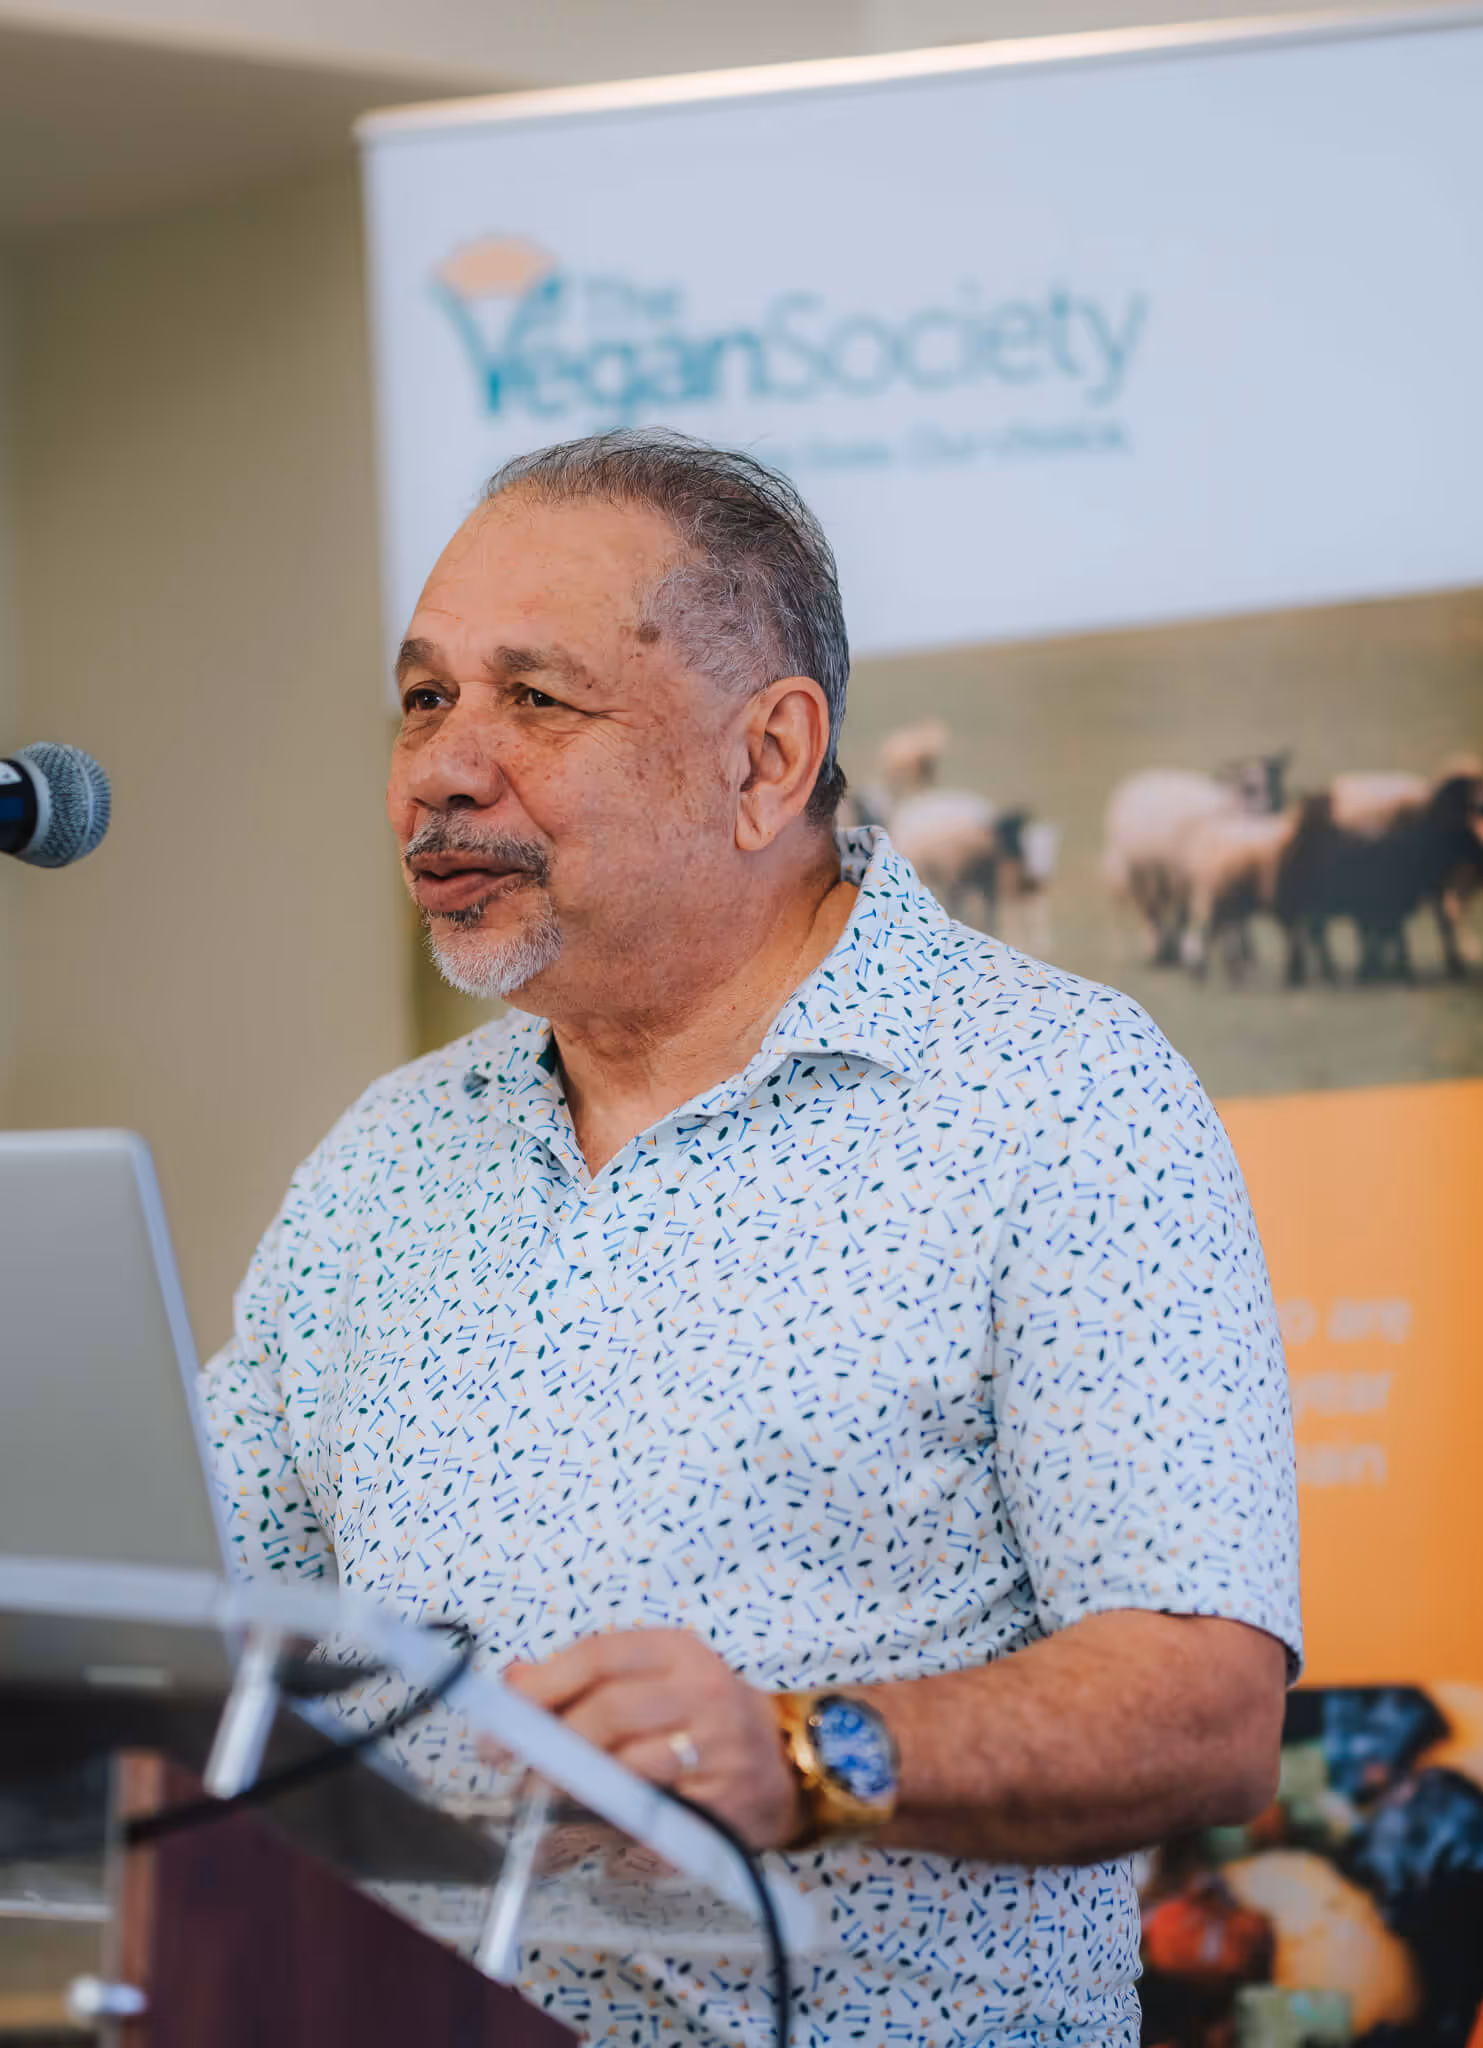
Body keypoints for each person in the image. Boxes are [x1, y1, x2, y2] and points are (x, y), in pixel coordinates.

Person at [202, 427, 1300, 2045]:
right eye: (425, 695)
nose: (439, 766)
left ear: (769, 759)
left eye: (534, 699)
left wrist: (799, 1755)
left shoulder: (1057, 1097)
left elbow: (1206, 1708)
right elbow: (194, 1609)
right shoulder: (387, 1160)